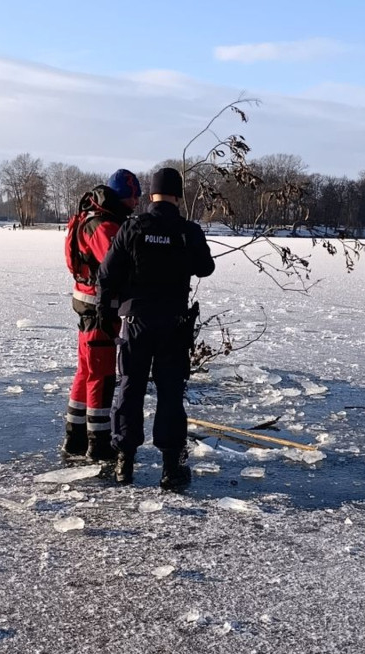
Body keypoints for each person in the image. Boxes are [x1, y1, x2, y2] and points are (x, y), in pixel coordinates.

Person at [97, 167, 215, 489]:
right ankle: (171, 469)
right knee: (170, 393)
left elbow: (106, 275)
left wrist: (105, 315)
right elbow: (206, 267)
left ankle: (125, 463)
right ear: (178, 195)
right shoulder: (187, 231)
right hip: (173, 326)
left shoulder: (132, 227)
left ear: (150, 195)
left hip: (135, 323)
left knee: (130, 389)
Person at [61, 169, 142, 462]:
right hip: (99, 309)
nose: (136, 203)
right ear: (125, 196)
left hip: (87, 304)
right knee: (101, 375)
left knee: (85, 371)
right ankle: (98, 442)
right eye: (134, 198)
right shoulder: (104, 226)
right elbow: (116, 265)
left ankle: (75, 436)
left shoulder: (90, 217)